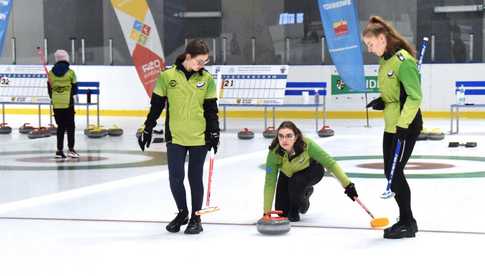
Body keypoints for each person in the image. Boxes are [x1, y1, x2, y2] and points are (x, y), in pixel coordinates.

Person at [138, 39, 220, 235]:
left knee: (194, 177)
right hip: (175, 136)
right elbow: (156, 106)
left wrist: (214, 132)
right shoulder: (167, 76)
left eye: (205, 62)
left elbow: (211, 110)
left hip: (199, 137)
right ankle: (183, 213)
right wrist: (148, 128)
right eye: (199, 61)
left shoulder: (206, 79)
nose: (202, 65)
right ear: (188, 57)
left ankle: (196, 218)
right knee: (175, 178)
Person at [363, 16, 423, 239]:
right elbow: (396, 93)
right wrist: (383, 100)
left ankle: (408, 222)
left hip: (405, 126)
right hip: (391, 125)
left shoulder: (403, 61)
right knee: (390, 172)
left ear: (382, 38)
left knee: (395, 173)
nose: (369, 49)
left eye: (370, 44)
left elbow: (415, 97)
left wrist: (404, 124)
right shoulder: (385, 61)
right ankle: (406, 219)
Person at [263, 121, 358, 222]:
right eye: (281, 136)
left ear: (296, 137)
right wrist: (266, 212)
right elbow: (270, 183)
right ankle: (306, 193)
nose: (284, 140)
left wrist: (348, 185)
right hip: (288, 174)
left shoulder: (307, 144)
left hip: (312, 170)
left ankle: (299, 207)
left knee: (296, 184)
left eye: (289, 136)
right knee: (282, 211)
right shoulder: (274, 153)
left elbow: (330, 163)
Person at [48, 49, 79, 159]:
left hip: (56, 104)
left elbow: (50, 91)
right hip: (68, 104)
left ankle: (59, 150)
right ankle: (71, 149)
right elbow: (75, 90)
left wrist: (56, 97)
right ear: (66, 59)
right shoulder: (71, 73)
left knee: (60, 127)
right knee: (70, 126)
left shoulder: (50, 74)